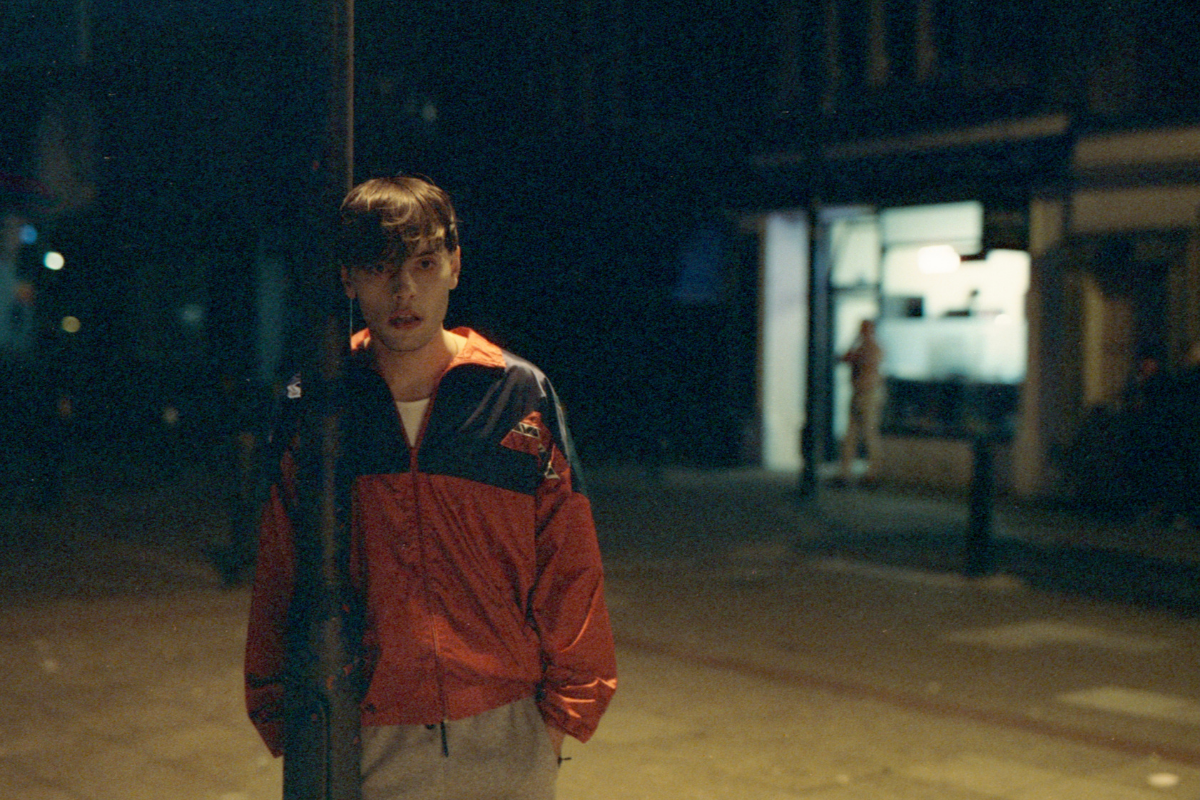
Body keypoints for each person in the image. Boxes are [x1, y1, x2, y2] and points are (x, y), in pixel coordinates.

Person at [244, 175, 617, 799]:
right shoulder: (318, 402)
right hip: (360, 735)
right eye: (379, 267)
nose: (403, 290)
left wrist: (561, 720)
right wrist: (285, 714)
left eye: (422, 263)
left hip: (506, 730)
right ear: (348, 278)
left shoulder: (518, 395)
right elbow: (280, 568)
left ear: (454, 266)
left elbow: (570, 561)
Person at [838, 318, 884, 484]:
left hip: (869, 395)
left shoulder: (874, 348)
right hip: (857, 394)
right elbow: (845, 358)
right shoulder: (859, 347)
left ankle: (873, 473)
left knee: (869, 433)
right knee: (850, 434)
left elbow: (866, 364)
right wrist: (854, 341)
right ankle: (845, 473)